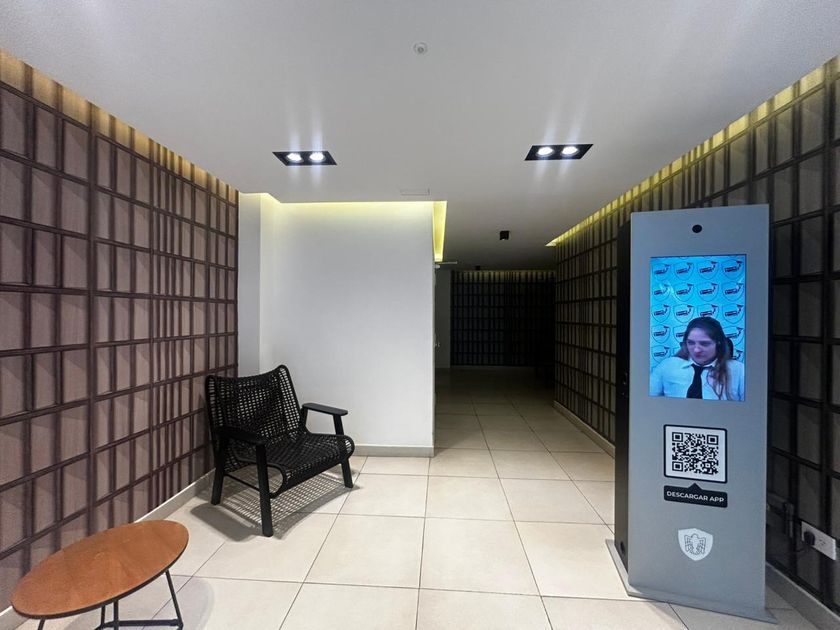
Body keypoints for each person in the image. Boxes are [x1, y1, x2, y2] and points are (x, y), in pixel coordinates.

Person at [650, 316, 745, 401]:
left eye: (704, 344)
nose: (696, 350)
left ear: (718, 343)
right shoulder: (668, 366)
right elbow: (647, 402)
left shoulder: (739, 371)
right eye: (691, 343)